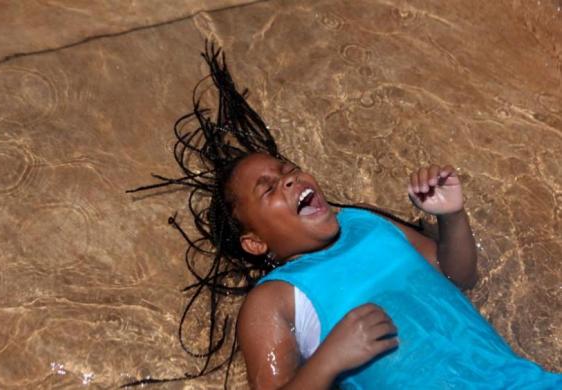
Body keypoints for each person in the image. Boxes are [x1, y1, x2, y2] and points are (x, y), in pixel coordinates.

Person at [125, 44, 561, 389]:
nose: (290, 180)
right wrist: (329, 361)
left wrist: (452, 216)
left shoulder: (366, 224)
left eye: (288, 170)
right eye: (269, 189)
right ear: (255, 242)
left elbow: (458, 275)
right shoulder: (274, 301)